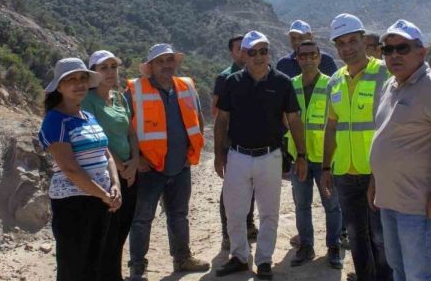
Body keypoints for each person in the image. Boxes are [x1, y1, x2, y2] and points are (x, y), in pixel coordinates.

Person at [370, 19, 431, 281]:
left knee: (419, 274)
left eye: (402, 48)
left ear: (421, 52)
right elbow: (384, 138)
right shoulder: (390, 85)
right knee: (399, 270)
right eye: (387, 50)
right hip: (390, 200)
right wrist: (375, 181)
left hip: (418, 204)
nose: (394, 55)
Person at [214, 30, 309, 280]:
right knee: (235, 210)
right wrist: (218, 154)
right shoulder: (232, 83)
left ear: (269, 53)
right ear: (244, 55)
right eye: (253, 52)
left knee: (269, 212)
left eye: (263, 51)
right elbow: (222, 120)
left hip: (271, 157)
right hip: (238, 156)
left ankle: (264, 260)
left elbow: (295, 119)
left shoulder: (282, 83)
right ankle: (239, 257)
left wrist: (302, 154)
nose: (259, 56)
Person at [126, 44, 209, 281]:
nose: (166, 65)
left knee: (179, 214)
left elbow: (198, 117)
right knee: (141, 220)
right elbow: (125, 128)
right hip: (149, 169)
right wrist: (137, 158)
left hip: (180, 165)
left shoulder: (186, 86)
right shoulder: (134, 90)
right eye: (160, 61)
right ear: (150, 67)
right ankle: (137, 267)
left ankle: (182, 258)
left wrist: (195, 146)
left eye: (169, 60)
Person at [320, 13, 392, 281]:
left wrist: (381, 172)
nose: (347, 48)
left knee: (381, 237)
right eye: (341, 43)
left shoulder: (384, 73)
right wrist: (327, 166)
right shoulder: (335, 80)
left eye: (352, 40)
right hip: (344, 174)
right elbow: (331, 126)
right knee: (356, 236)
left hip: (376, 173)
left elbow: (392, 127)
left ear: (364, 40)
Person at [38, 58, 122, 281]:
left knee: (94, 263)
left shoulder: (89, 117)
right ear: (59, 86)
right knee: (73, 268)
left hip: (100, 200)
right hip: (73, 204)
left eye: (83, 78)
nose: (79, 84)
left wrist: (115, 185)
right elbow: (70, 168)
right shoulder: (55, 120)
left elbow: (106, 154)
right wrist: (105, 195)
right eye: (71, 80)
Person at [81, 50, 139, 281]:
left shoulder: (120, 97)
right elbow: (97, 138)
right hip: (105, 176)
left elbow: (131, 133)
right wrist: (121, 166)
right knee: (106, 234)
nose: (110, 72)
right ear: (93, 73)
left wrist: (135, 161)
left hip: (130, 173)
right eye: (103, 68)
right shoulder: (87, 100)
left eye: (113, 66)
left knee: (121, 230)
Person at [287, 40, 343, 269]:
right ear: (297, 59)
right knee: (302, 205)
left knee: (332, 205)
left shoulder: (332, 85)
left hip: (325, 158)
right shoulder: (290, 85)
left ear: (320, 57)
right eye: (303, 56)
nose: (308, 59)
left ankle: (334, 247)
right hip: (299, 158)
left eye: (312, 55)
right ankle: (306, 246)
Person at [212, 35, 258, 250]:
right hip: (232, 144)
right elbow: (217, 114)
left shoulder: (257, 74)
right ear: (232, 52)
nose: (244, 52)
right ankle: (227, 234)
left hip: (253, 143)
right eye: (239, 49)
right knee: (231, 191)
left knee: (252, 186)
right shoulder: (225, 77)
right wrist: (219, 151)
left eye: (247, 48)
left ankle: (248, 225)